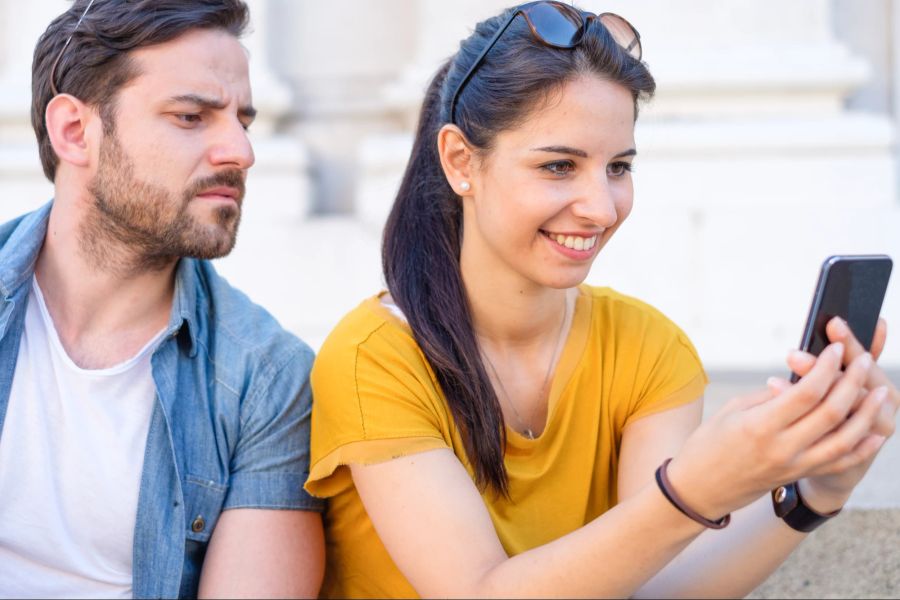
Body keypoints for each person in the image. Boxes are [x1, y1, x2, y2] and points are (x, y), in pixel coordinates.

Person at [305, 2, 899, 597]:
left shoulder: (648, 347)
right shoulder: (372, 358)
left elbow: (656, 585)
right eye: (559, 165)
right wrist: (696, 488)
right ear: (462, 160)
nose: (602, 207)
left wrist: (815, 494)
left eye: (618, 166)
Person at [0, 1, 324, 597]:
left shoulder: (268, 379)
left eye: (242, 122)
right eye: (191, 117)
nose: (241, 152)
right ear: (75, 131)